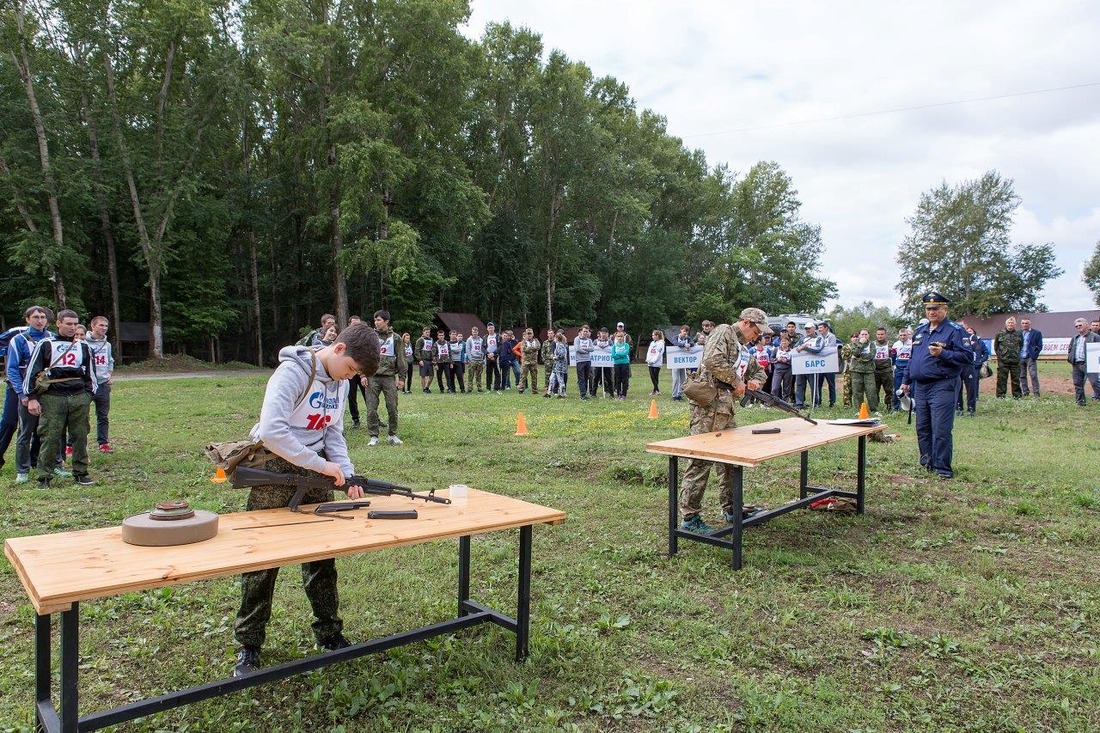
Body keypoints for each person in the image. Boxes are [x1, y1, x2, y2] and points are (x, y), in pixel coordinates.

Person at [232, 322, 380, 677]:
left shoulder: (341, 383)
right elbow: (271, 430)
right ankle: (249, 645)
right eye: (351, 369)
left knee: (321, 558)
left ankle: (329, 634)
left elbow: (333, 431)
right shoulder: (292, 373)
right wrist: (320, 465)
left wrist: (346, 474)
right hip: (275, 471)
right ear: (339, 349)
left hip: (318, 471)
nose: (349, 377)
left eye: (356, 375)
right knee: (262, 562)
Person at [678, 308, 771, 534]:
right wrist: (737, 381)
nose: (757, 337)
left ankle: (731, 507)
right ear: (747, 323)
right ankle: (690, 518)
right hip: (707, 407)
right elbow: (712, 360)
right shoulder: (723, 332)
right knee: (701, 460)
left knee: (730, 461)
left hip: (725, 408)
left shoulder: (743, 349)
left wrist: (756, 382)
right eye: (757, 332)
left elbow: (759, 371)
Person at [899, 292, 971, 480]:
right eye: (928, 309)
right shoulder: (921, 330)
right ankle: (927, 462)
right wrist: (906, 380)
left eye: (935, 308)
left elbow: (967, 357)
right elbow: (912, 359)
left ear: (944, 310)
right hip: (920, 386)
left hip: (943, 384)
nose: (931, 312)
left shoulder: (955, 331)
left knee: (940, 428)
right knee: (922, 427)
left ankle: (943, 468)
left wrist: (943, 354)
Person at [24, 310, 97, 488]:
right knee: (50, 437)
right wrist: (31, 397)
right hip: (53, 397)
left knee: (80, 436)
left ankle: (81, 473)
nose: (72, 327)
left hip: (78, 396)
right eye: (68, 324)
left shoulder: (84, 346)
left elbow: (91, 375)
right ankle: (45, 477)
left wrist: (88, 396)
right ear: (58, 323)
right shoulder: (46, 344)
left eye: (75, 324)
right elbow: (31, 373)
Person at [7, 306, 55, 483]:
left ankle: (50, 464)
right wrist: (22, 394)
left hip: (48, 392)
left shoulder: (51, 338)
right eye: (35, 317)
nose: (40, 320)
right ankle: (22, 470)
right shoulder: (19, 340)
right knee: (25, 432)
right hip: (27, 392)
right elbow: (12, 370)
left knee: (49, 430)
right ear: (27, 319)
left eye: (43, 317)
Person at [366, 310, 405, 446]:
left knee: (392, 407)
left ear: (386, 321)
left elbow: (401, 359)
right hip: (372, 377)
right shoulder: (370, 337)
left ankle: (392, 435)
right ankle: (373, 436)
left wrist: (402, 378)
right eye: (375, 320)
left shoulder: (396, 338)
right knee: (371, 408)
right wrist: (362, 374)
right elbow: (364, 356)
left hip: (389, 377)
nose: (376, 323)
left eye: (379, 320)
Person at [85, 316, 115, 453]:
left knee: (103, 416)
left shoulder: (107, 344)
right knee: (80, 417)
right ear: (93, 326)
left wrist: (109, 374)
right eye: (101, 325)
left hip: (103, 385)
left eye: (106, 326)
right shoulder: (83, 342)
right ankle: (72, 444)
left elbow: (110, 361)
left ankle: (103, 443)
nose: (104, 328)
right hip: (86, 385)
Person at [956, 321, 989, 416]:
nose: (960, 327)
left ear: (965, 326)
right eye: (958, 326)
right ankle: (959, 408)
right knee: (958, 388)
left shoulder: (971, 337)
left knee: (971, 388)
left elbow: (974, 349)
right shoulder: (953, 336)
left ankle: (971, 409)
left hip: (969, 365)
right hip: (958, 365)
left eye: (962, 326)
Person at [1068, 317, 1100, 406]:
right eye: (1076, 326)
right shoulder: (1075, 338)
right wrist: (1070, 357)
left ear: (1086, 325)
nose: (1078, 327)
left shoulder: (1095, 337)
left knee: (1095, 383)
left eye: (1080, 325)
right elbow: (1070, 349)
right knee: (1077, 383)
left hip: (1090, 363)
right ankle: (1080, 402)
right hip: (1076, 364)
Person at [807, 321, 839, 407]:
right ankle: (819, 401)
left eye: (821, 328)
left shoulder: (832, 336)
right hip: (820, 364)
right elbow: (816, 348)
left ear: (826, 328)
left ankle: (832, 402)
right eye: (819, 328)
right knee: (819, 384)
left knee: (831, 384)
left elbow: (830, 349)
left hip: (829, 363)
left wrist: (820, 349)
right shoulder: (818, 337)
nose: (819, 329)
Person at [844, 329, 876, 412]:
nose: (864, 336)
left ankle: (874, 409)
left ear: (869, 335)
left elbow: (871, 355)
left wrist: (860, 359)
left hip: (869, 371)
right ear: (859, 335)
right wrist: (861, 344)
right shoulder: (855, 343)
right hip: (856, 370)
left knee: (871, 391)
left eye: (866, 334)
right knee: (857, 391)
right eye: (862, 334)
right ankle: (859, 410)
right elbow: (855, 353)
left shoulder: (872, 344)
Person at [993, 317, 1022, 398]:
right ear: (1006, 324)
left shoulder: (1019, 334)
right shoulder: (1000, 333)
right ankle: (1000, 396)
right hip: (1003, 361)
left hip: (1015, 361)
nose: (1010, 324)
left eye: (1012, 323)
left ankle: (1017, 396)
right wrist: (1000, 357)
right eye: (1009, 323)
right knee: (1001, 380)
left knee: (1016, 379)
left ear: (1015, 324)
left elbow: (1021, 345)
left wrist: (1016, 355)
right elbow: (996, 347)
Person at [345, 315, 366, 427]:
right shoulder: (345, 338)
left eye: (358, 324)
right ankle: (356, 420)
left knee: (369, 396)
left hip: (363, 372)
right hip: (350, 372)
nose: (356, 326)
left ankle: (375, 418)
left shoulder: (364, 337)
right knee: (351, 397)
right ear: (349, 324)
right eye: (354, 324)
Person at [791, 321, 817, 409]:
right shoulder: (803, 339)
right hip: (801, 366)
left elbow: (818, 349)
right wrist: (801, 347)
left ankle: (815, 403)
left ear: (814, 328)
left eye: (809, 328)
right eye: (806, 329)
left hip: (812, 366)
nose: (807, 330)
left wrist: (805, 347)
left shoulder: (818, 339)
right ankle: (799, 403)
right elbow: (795, 347)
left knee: (813, 385)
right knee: (799, 385)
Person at [1018, 318, 1043, 397]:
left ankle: (1036, 393)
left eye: (1026, 323)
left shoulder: (1036, 333)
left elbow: (1039, 346)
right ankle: (1025, 392)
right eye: (1023, 323)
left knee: (1033, 375)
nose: (1024, 325)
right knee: (1022, 376)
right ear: (1021, 324)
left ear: (1030, 324)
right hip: (1020, 357)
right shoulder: (1018, 333)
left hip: (1030, 357)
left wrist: (1034, 354)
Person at [872, 327, 894, 412]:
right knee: (874, 390)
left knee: (888, 389)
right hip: (875, 370)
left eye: (882, 334)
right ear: (876, 335)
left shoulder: (890, 344)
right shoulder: (872, 344)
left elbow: (894, 355)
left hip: (886, 370)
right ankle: (875, 407)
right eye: (878, 334)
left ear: (885, 335)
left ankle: (889, 406)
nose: (880, 336)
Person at [891, 328, 913, 410]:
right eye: (901, 335)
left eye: (904, 335)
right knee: (897, 388)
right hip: (899, 368)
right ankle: (896, 407)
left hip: (909, 367)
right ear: (898, 336)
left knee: (912, 388)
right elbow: (893, 357)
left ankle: (912, 407)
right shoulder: (896, 344)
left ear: (908, 335)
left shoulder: (912, 343)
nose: (903, 337)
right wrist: (893, 367)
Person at [671, 325, 694, 401]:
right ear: (681, 330)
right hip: (675, 362)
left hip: (683, 362)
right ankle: (674, 395)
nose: (685, 333)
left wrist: (689, 344)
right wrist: (684, 345)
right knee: (675, 379)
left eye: (687, 332)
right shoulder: (675, 337)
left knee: (683, 379)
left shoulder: (688, 338)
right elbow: (675, 343)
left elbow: (692, 343)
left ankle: (679, 394)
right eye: (684, 331)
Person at [769, 333, 793, 401]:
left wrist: (787, 361)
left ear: (789, 342)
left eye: (786, 341)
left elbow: (794, 361)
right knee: (775, 387)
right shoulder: (776, 349)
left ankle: (785, 402)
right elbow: (771, 359)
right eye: (782, 341)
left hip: (788, 370)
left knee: (787, 388)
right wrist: (777, 360)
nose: (784, 343)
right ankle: (773, 401)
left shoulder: (791, 351)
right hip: (778, 370)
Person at [574, 324, 594, 400]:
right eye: (584, 331)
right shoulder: (577, 339)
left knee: (586, 378)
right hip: (580, 361)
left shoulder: (589, 340)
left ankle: (585, 393)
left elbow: (592, 349)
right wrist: (586, 350)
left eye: (587, 331)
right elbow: (577, 349)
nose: (585, 333)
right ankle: (582, 395)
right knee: (581, 378)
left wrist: (584, 349)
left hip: (588, 361)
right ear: (581, 331)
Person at [546, 332, 569, 397]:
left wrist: (555, 357)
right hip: (556, 366)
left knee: (560, 379)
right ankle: (548, 393)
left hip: (560, 366)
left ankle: (562, 394)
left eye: (554, 338)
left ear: (556, 338)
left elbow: (562, 355)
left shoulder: (560, 345)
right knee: (551, 378)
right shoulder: (558, 345)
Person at [593, 327, 614, 398]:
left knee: (609, 378)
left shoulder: (610, 342)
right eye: (602, 333)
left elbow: (613, 349)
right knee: (596, 378)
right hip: (598, 363)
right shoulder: (596, 341)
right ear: (600, 333)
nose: (603, 334)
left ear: (607, 334)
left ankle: (611, 393)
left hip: (607, 363)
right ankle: (593, 394)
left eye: (605, 333)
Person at [518, 328, 540, 394]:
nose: (529, 335)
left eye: (530, 334)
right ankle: (521, 389)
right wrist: (533, 348)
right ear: (526, 334)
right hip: (526, 362)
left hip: (534, 362)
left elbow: (538, 346)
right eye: (528, 334)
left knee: (534, 376)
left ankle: (535, 390)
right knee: (523, 376)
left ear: (533, 334)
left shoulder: (536, 340)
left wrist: (530, 348)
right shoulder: (523, 341)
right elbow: (524, 349)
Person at [611, 331, 631, 399]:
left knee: (624, 379)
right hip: (617, 364)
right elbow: (613, 355)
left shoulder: (626, 345)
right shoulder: (614, 346)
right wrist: (620, 354)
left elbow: (626, 353)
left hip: (625, 363)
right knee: (618, 379)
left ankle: (624, 394)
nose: (620, 338)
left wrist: (618, 354)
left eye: (621, 336)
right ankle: (619, 393)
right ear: (616, 337)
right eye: (618, 336)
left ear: (623, 337)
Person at [465, 326, 485, 393]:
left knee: (478, 375)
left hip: (479, 359)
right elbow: (467, 349)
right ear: (472, 332)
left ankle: (479, 388)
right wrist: (470, 359)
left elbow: (482, 349)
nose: (475, 333)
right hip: (472, 359)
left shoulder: (481, 340)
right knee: (470, 375)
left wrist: (482, 358)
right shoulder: (469, 339)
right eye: (473, 332)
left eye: (476, 332)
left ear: (478, 332)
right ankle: (470, 388)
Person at [433, 328, 453, 393]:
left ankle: (449, 388)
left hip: (446, 362)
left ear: (444, 336)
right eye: (440, 335)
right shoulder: (435, 344)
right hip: (439, 362)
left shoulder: (447, 343)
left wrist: (451, 362)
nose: (441, 336)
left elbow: (450, 353)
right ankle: (441, 388)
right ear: (438, 336)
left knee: (448, 376)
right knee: (439, 376)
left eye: (442, 335)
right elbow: (434, 355)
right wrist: (435, 364)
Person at [646, 329, 665, 396]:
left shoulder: (661, 343)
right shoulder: (652, 343)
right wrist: (648, 359)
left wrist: (654, 360)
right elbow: (649, 352)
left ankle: (655, 390)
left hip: (656, 363)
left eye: (653, 335)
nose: (652, 336)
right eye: (652, 335)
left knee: (655, 376)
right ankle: (656, 390)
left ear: (657, 336)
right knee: (652, 376)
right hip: (650, 362)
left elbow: (659, 353)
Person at [414, 326, 434, 393]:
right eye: (426, 332)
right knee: (423, 375)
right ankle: (424, 389)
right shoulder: (420, 340)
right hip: (423, 359)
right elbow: (417, 351)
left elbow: (432, 350)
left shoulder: (431, 339)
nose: (428, 333)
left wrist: (433, 359)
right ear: (423, 332)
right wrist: (420, 360)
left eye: (429, 332)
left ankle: (427, 387)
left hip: (430, 360)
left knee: (431, 375)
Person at [484, 322, 502, 392]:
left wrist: (493, 354)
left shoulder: (498, 336)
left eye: (491, 328)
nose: (490, 329)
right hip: (488, 356)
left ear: (494, 328)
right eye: (489, 328)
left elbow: (500, 346)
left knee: (497, 372)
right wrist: (488, 354)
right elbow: (483, 347)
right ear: (487, 329)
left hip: (496, 357)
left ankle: (496, 388)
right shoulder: (485, 337)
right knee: (488, 372)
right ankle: (488, 388)